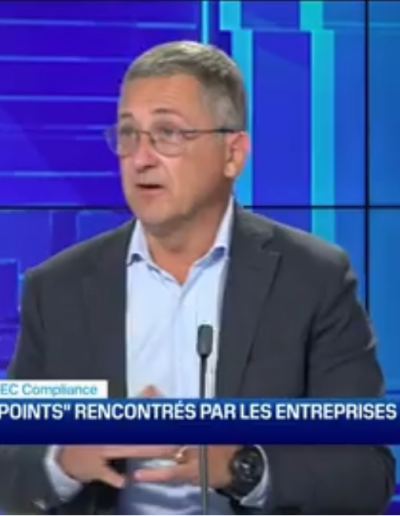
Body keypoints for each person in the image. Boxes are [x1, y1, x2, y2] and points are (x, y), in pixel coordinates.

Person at [0, 40, 395, 515]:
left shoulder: (313, 280)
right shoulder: (58, 289)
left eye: (167, 133)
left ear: (233, 153)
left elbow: (365, 472)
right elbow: (11, 459)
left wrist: (243, 467)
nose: (140, 158)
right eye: (128, 134)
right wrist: (62, 461)